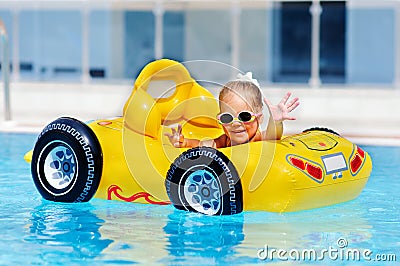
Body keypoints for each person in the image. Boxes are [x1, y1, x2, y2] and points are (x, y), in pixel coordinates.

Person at [165, 72, 300, 148]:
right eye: (227, 118)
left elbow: (273, 136)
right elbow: (202, 144)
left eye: (245, 116)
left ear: (259, 118)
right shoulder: (225, 141)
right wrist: (183, 142)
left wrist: (275, 122)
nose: (235, 124)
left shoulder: (259, 139)